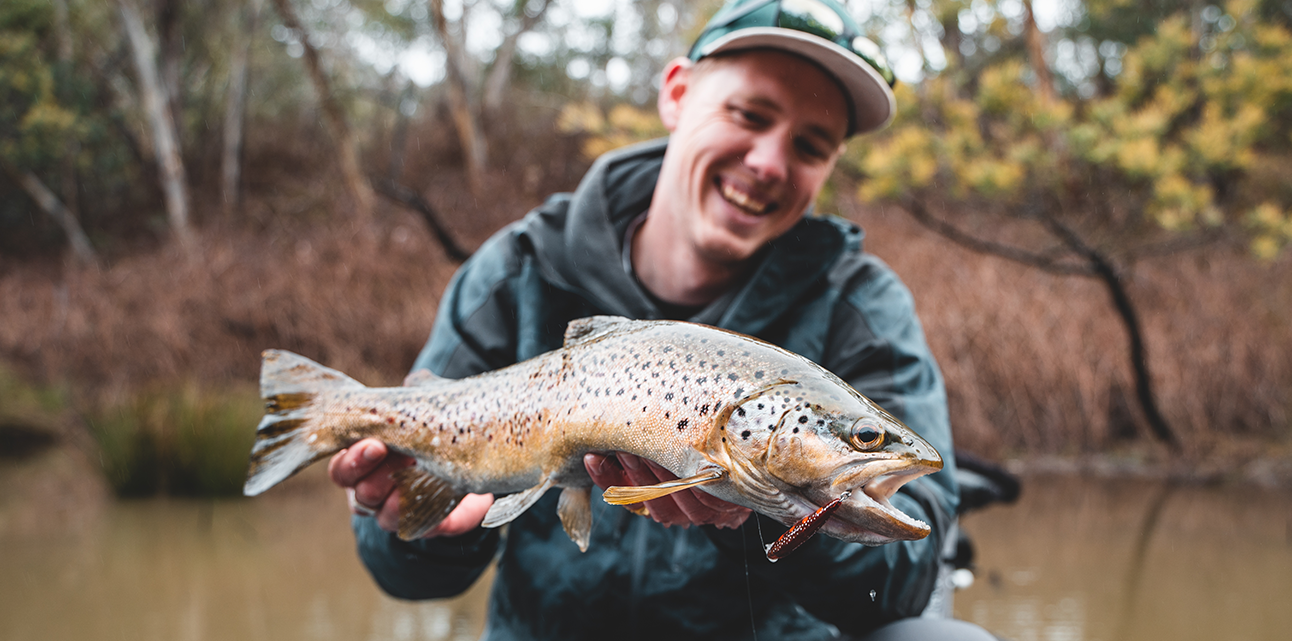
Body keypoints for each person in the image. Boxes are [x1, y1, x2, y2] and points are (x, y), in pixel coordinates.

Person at [329, 1, 998, 638]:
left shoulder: (862, 306)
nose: (768, 162)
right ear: (677, 94)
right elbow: (402, 574)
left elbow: (911, 574)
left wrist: (774, 512)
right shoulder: (519, 268)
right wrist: (424, 523)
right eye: (749, 113)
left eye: (811, 144)